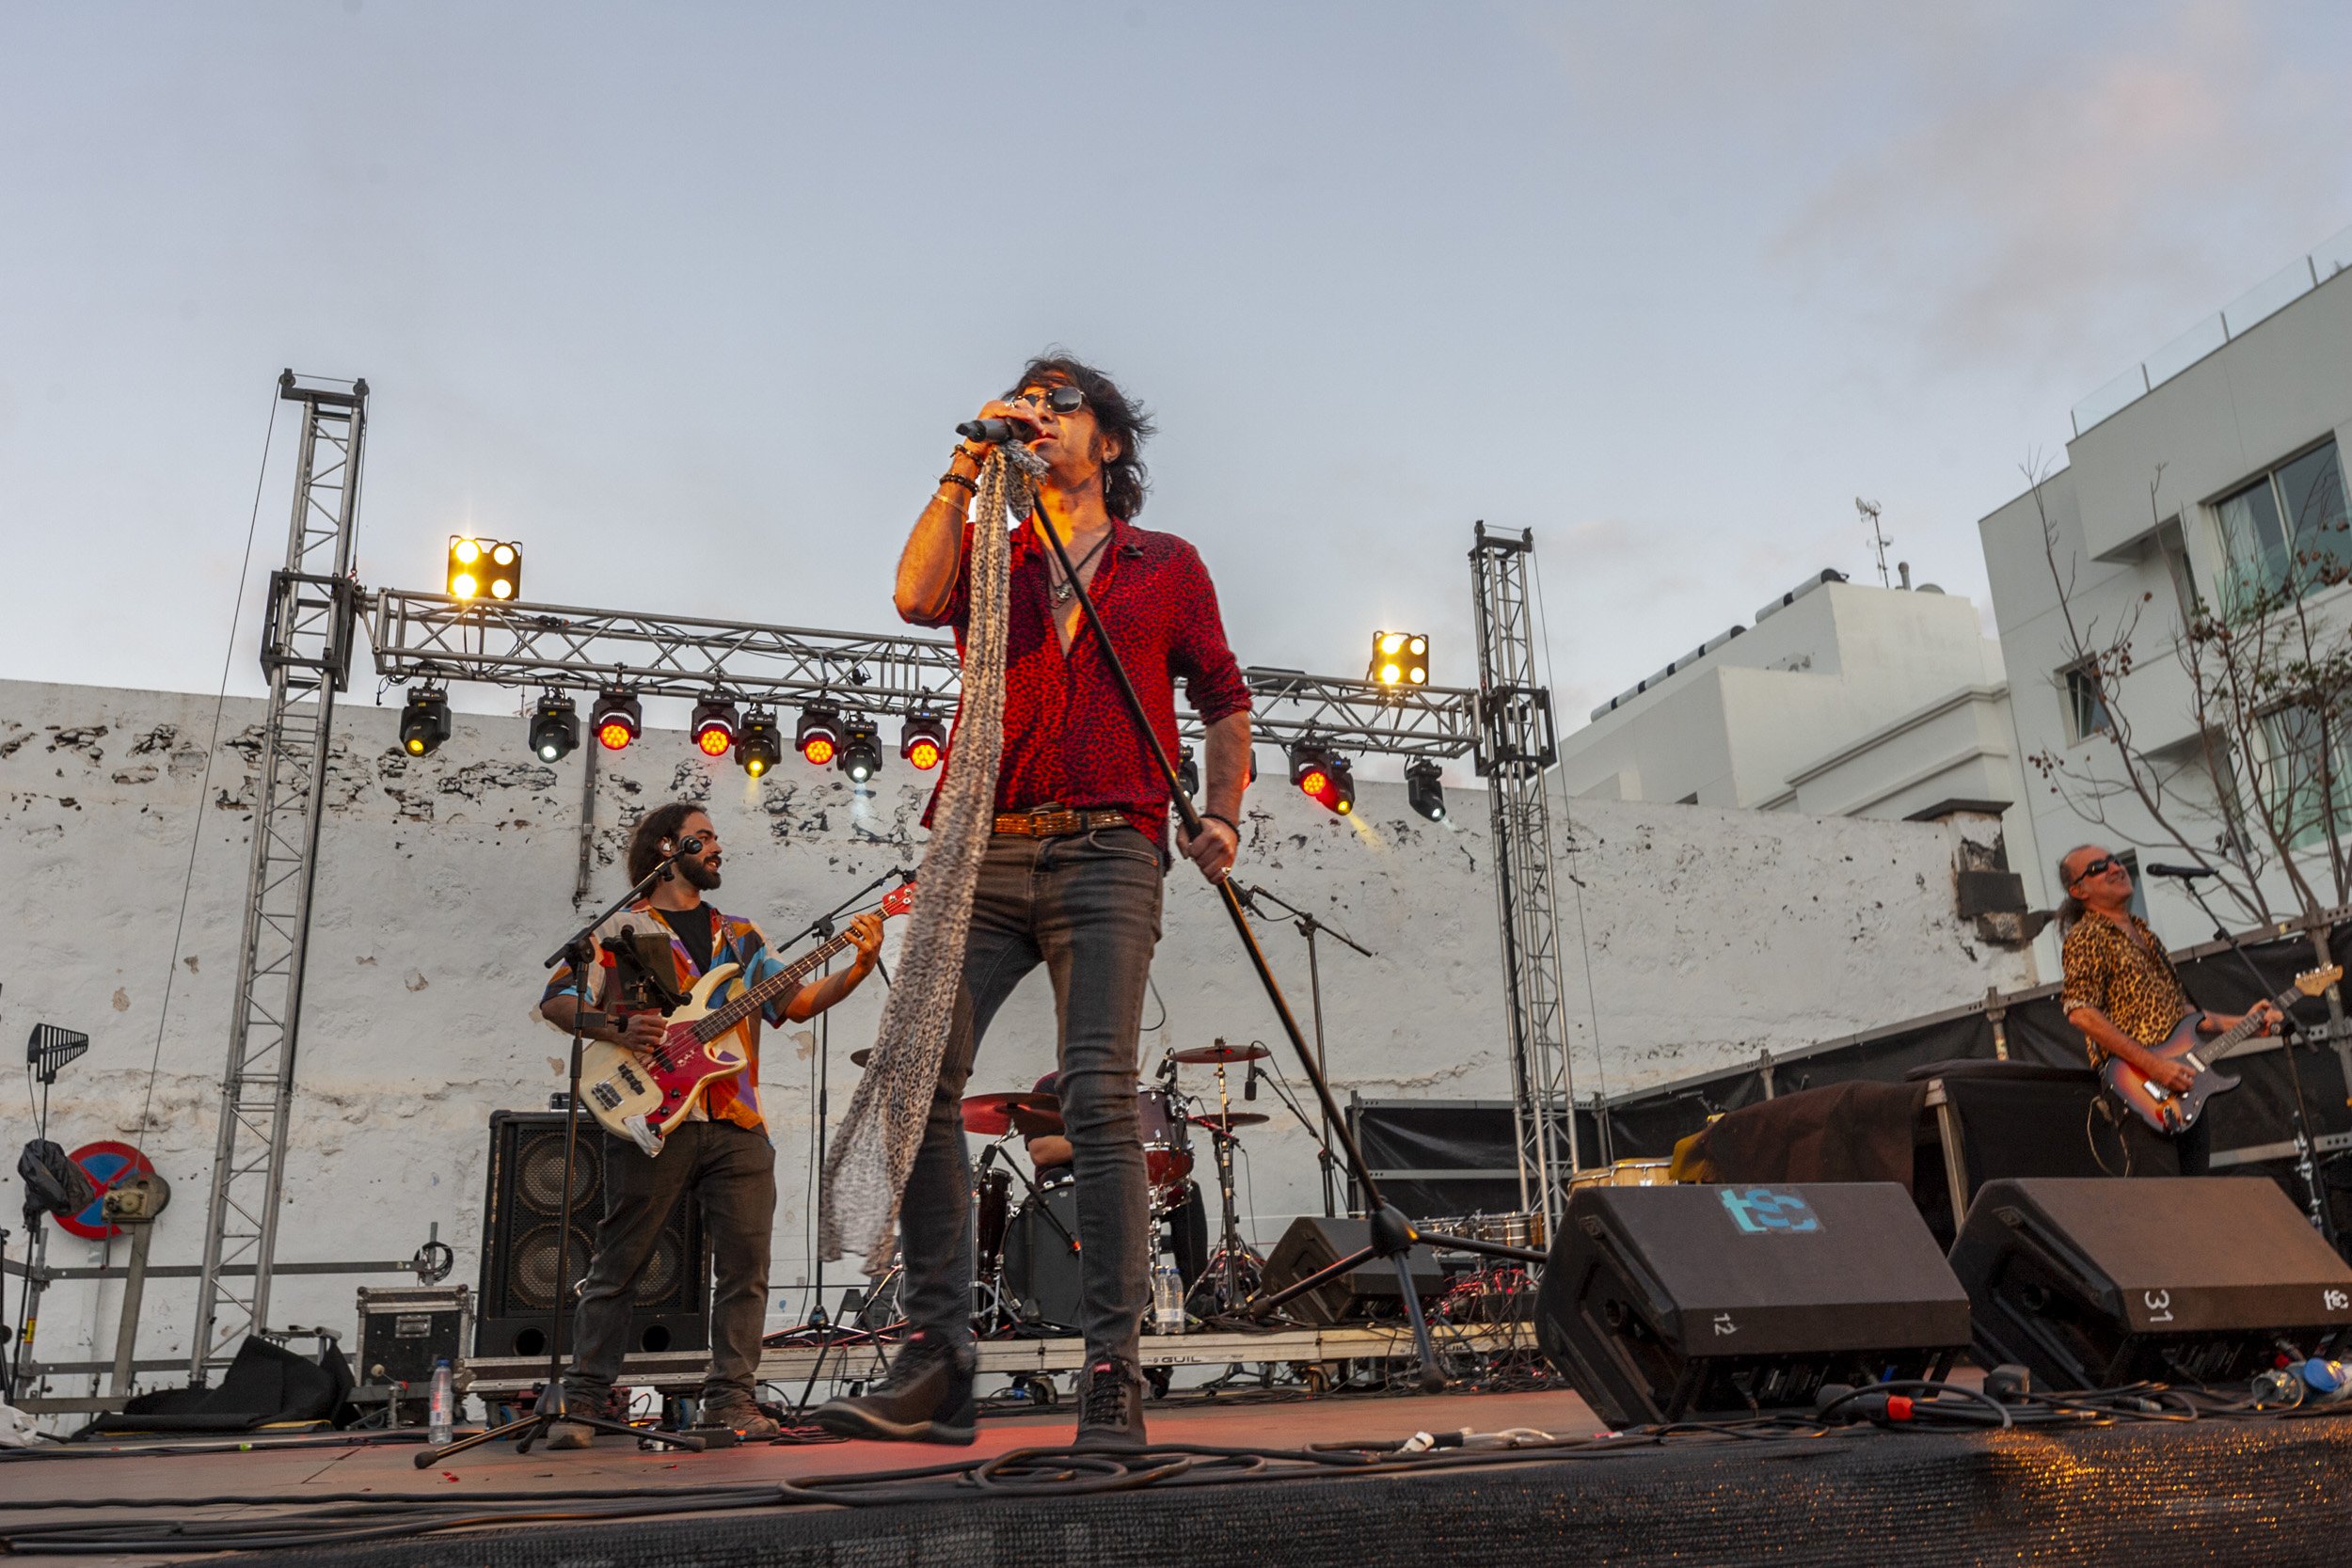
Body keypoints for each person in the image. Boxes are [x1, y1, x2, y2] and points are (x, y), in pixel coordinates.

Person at [814, 353, 1251, 1451]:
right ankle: (938, 1359)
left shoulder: (1168, 564)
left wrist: (1225, 811)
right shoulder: (991, 551)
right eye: (1031, 403)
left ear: (1108, 439)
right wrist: (965, 462)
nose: (1042, 416)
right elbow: (914, 596)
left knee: (1098, 1094)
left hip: (1111, 846)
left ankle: (1114, 1369)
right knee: (916, 1075)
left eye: (1064, 404)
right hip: (986, 845)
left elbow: (1224, 700)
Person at [537, 801, 883, 1445]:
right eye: (708, 836)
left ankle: (729, 1399)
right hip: (651, 1114)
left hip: (736, 1118)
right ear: (670, 847)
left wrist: (858, 967)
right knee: (622, 1259)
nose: (719, 847)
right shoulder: (621, 931)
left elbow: (797, 1002)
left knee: (747, 1265)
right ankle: (582, 1398)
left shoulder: (742, 937)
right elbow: (557, 999)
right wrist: (614, 1025)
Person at [2056, 844, 2275, 1176]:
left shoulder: (2145, 934)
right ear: (2079, 890)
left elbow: (2180, 1012)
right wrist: (2155, 1066)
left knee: (2193, 1197)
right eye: (2099, 867)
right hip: (2140, 1086)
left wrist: (2244, 1022)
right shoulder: (2087, 936)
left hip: (2183, 1084)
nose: (2115, 867)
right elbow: (2080, 1011)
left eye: (2114, 860)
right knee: (2164, 1203)